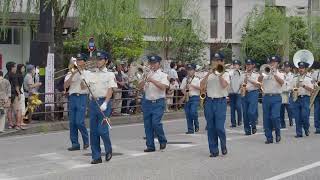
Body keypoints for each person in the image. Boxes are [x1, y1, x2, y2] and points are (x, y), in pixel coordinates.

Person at [85, 51, 117, 164]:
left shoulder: (110, 74)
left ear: (106, 61)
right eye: (97, 59)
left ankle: (108, 149)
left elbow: (110, 89)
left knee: (102, 130)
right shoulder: (91, 73)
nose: (98, 61)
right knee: (93, 132)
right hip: (93, 103)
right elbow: (83, 86)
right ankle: (96, 156)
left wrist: (106, 102)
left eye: (100, 59)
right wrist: (83, 79)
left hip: (104, 103)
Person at [200, 52, 229, 157]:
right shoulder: (209, 74)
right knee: (211, 127)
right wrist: (209, 73)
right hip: (209, 101)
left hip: (220, 102)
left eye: (218, 61)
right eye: (214, 60)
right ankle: (214, 150)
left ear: (222, 62)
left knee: (219, 127)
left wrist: (219, 74)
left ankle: (223, 145)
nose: (216, 62)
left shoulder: (226, 74)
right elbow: (201, 85)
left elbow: (224, 85)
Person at [138, 55, 169, 152]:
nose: (152, 65)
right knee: (147, 125)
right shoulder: (146, 74)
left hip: (158, 102)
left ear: (159, 64)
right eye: (151, 63)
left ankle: (162, 140)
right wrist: (144, 79)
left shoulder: (163, 75)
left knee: (156, 123)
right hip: (147, 102)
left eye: (154, 63)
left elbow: (163, 87)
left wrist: (152, 80)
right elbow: (139, 87)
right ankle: (150, 146)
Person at [64, 53, 90, 151]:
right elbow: (65, 86)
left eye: (80, 60)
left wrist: (81, 75)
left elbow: (84, 87)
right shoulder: (70, 72)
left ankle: (86, 141)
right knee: (72, 122)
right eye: (77, 60)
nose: (78, 62)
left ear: (84, 62)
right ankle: (75, 144)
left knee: (79, 122)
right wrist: (73, 74)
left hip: (82, 97)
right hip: (72, 97)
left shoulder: (87, 73)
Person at [258, 56, 284, 144]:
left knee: (275, 116)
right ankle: (269, 137)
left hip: (276, 97)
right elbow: (259, 82)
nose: (272, 63)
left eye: (274, 62)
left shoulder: (280, 73)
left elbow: (282, 83)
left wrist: (274, 74)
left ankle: (277, 133)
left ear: (278, 64)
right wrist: (262, 74)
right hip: (266, 97)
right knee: (266, 118)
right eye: (271, 62)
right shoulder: (266, 71)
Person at [292, 61, 314, 138]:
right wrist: (295, 89)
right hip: (297, 98)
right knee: (297, 117)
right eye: (300, 68)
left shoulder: (309, 78)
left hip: (305, 98)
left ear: (305, 69)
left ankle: (306, 128)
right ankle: (299, 133)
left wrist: (303, 85)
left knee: (305, 116)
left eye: (302, 68)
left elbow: (312, 90)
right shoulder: (294, 78)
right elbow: (292, 88)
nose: (301, 69)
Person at [180, 63, 201, 134]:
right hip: (187, 97)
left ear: (194, 71)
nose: (189, 71)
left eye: (191, 70)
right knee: (188, 113)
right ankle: (190, 129)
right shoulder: (185, 79)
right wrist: (185, 94)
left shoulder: (197, 79)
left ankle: (196, 123)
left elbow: (201, 88)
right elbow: (182, 89)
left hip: (195, 97)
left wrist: (192, 85)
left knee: (193, 112)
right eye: (188, 70)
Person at [242, 59, 260, 135]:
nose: (248, 66)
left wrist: (249, 78)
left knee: (251, 112)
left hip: (253, 93)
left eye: (249, 64)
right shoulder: (242, 74)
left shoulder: (256, 75)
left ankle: (253, 125)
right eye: (247, 64)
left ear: (253, 65)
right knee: (245, 113)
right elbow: (240, 84)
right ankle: (247, 129)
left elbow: (258, 85)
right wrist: (245, 80)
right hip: (244, 93)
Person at [8, 62, 25, 130]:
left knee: (10, 110)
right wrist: (18, 94)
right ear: (12, 68)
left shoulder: (6, 75)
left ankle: (10, 124)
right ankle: (18, 124)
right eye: (15, 67)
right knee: (18, 110)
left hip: (8, 95)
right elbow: (16, 86)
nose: (15, 68)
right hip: (14, 94)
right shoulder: (14, 75)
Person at [229, 60, 244, 127]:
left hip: (238, 92)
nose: (235, 66)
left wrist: (240, 90)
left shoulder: (241, 73)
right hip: (231, 92)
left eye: (237, 65)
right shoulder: (230, 73)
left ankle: (240, 120)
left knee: (238, 106)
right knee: (232, 108)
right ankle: (233, 123)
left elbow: (242, 83)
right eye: (234, 64)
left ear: (239, 66)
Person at [280, 61, 294, 128]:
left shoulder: (292, 76)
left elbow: (292, 85)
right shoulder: (281, 75)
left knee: (290, 109)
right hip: (282, 93)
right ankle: (282, 124)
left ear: (290, 68)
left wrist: (288, 88)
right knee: (281, 110)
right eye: (285, 67)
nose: (286, 68)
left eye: (287, 67)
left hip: (288, 93)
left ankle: (291, 120)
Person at [311, 64, 320, 134]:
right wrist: (316, 83)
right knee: (317, 111)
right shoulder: (315, 73)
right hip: (317, 94)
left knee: (317, 111)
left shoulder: (315, 72)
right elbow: (312, 82)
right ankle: (317, 128)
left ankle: (318, 128)